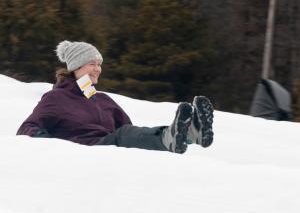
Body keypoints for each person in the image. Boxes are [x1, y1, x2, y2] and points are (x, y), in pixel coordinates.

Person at [17, 40, 214, 154]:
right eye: (91, 64)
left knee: (127, 133)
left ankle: (190, 134)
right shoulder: (56, 98)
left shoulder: (102, 100)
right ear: (76, 67)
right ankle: (170, 138)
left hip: (111, 149)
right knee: (123, 135)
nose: (98, 69)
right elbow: (26, 128)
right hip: (86, 151)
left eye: (99, 64)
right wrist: (52, 144)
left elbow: (132, 132)